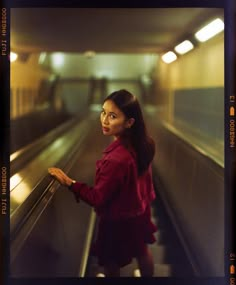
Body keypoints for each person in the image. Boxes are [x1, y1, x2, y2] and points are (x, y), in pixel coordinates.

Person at [48, 89, 157, 277]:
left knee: (110, 261)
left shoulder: (116, 160)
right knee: (142, 250)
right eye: (103, 112)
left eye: (112, 116)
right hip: (140, 210)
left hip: (117, 220)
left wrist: (69, 182)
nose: (104, 120)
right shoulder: (145, 143)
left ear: (130, 122)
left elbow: (98, 198)